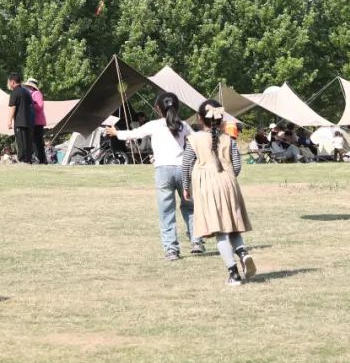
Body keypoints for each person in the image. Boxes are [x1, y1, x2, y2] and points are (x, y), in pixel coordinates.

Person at [105, 91, 203, 260]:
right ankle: (197, 241)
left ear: (158, 108)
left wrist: (116, 133)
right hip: (183, 169)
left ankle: (171, 250)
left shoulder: (153, 125)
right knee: (189, 207)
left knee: (166, 212)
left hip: (163, 171)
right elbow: (197, 142)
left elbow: (133, 134)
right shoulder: (183, 125)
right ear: (177, 107)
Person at [182, 100, 255, 285]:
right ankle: (243, 252)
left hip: (207, 186)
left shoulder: (194, 139)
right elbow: (237, 165)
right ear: (221, 119)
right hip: (229, 183)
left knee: (220, 231)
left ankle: (234, 274)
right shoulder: (229, 139)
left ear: (199, 118)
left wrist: (186, 186)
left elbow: (186, 165)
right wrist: (228, 179)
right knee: (233, 226)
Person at [6, 72, 35, 163]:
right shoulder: (26, 92)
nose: (8, 84)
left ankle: (23, 159)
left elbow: (13, 107)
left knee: (21, 142)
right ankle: (28, 159)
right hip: (29, 121)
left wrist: (9, 121)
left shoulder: (14, 92)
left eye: (8, 82)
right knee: (27, 141)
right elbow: (31, 105)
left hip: (19, 122)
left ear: (13, 82)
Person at [24, 77, 48, 165]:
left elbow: (40, 106)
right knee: (34, 141)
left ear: (31, 86)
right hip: (33, 121)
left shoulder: (37, 93)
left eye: (28, 86)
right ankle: (39, 159)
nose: (27, 87)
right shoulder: (31, 94)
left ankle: (42, 160)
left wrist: (30, 105)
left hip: (38, 121)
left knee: (38, 141)